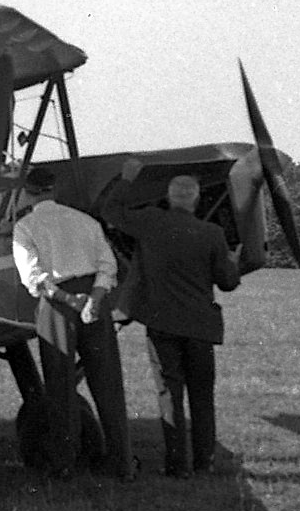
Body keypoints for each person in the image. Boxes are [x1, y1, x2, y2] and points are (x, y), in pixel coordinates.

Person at [102, 159, 242, 477]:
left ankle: (178, 466)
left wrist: (126, 180)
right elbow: (228, 282)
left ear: (168, 198)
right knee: (202, 396)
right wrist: (233, 261)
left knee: (170, 394)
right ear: (195, 200)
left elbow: (111, 211)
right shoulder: (212, 234)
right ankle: (204, 462)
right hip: (200, 326)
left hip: (162, 324)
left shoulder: (151, 222)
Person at [11, 167, 134, 481]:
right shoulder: (86, 221)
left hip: (58, 308)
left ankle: (63, 461)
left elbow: (33, 279)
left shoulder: (26, 226)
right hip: (95, 302)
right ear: (54, 190)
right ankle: (122, 462)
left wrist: (68, 300)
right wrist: (93, 299)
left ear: (28, 192)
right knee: (108, 382)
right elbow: (108, 267)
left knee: (59, 386)